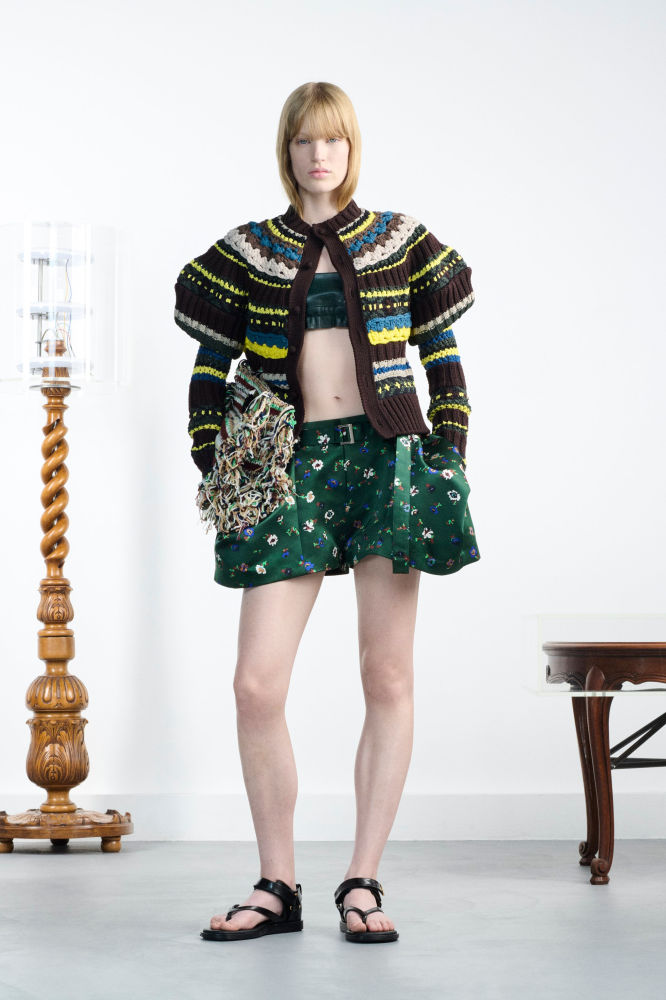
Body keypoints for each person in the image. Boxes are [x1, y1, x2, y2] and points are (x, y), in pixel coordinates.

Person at [174, 81, 480, 944]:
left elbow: (442, 355)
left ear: (352, 148)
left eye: (334, 140)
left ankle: (362, 880)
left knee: (387, 676)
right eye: (305, 141)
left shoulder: (401, 242)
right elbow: (209, 368)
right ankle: (277, 883)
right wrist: (217, 460)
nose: (320, 155)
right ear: (288, 150)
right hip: (287, 464)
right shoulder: (246, 251)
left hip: (387, 460)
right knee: (256, 684)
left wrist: (448, 454)